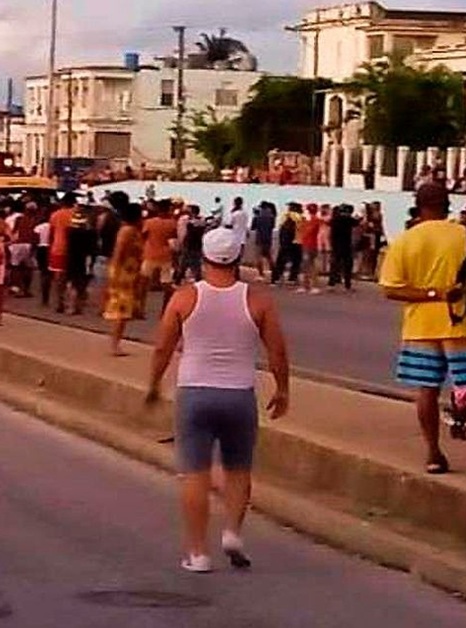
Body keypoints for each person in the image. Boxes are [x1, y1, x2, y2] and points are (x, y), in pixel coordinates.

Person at [147, 228, 290, 574]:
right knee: (238, 469)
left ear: (204, 257)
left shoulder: (184, 298)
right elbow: (277, 350)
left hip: (195, 393)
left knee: (194, 474)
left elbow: (163, 346)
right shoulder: (257, 300)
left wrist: (153, 383)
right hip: (239, 394)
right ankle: (232, 533)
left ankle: (198, 553)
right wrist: (283, 389)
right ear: (239, 256)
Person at [380, 183, 466, 476]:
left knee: (427, 390)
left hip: (420, 327)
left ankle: (434, 455)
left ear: (418, 207)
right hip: (463, 324)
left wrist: (431, 294)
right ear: (447, 206)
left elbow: (391, 289)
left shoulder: (405, 240)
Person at [103, 197, 144, 356]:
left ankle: (116, 343)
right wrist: (115, 273)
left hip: (128, 273)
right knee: (121, 311)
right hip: (123, 274)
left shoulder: (132, 231)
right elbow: (119, 253)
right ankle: (115, 344)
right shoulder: (127, 231)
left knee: (124, 312)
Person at [141, 200, 178, 318]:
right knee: (166, 284)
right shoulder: (173, 223)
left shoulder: (149, 222)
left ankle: (140, 309)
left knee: (143, 282)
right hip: (166, 255)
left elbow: (143, 236)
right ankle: (164, 311)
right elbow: (174, 241)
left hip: (150, 254)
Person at [327, 204, 359, 292]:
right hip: (346, 246)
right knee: (347, 266)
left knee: (334, 265)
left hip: (335, 245)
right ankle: (347, 285)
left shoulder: (335, 219)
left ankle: (331, 284)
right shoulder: (349, 220)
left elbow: (328, 224)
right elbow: (358, 222)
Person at [271, 203, 302, 286]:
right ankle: (292, 278)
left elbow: (281, 229)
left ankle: (276, 279)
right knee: (296, 261)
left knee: (280, 261)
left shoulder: (286, 216)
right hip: (296, 242)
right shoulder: (300, 217)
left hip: (285, 242)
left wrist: (282, 241)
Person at [297, 204, 322, 294]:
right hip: (308, 244)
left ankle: (311, 286)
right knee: (308, 265)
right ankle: (307, 285)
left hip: (310, 245)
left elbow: (306, 231)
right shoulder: (311, 220)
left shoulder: (313, 220)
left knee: (309, 265)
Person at [251, 201, 276, 281]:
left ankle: (261, 275)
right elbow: (272, 227)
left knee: (258, 258)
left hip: (259, 239)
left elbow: (253, 227)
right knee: (269, 258)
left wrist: (255, 215)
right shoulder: (272, 216)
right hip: (268, 239)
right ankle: (275, 274)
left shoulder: (258, 216)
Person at [34, 208, 53, 306]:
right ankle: (47, 293)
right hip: (50, 249)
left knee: (43, 273)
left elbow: (36, 240)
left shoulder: (38, 227)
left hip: (41, 249)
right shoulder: (52, 227)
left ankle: (44, 297)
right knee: (49, 273)